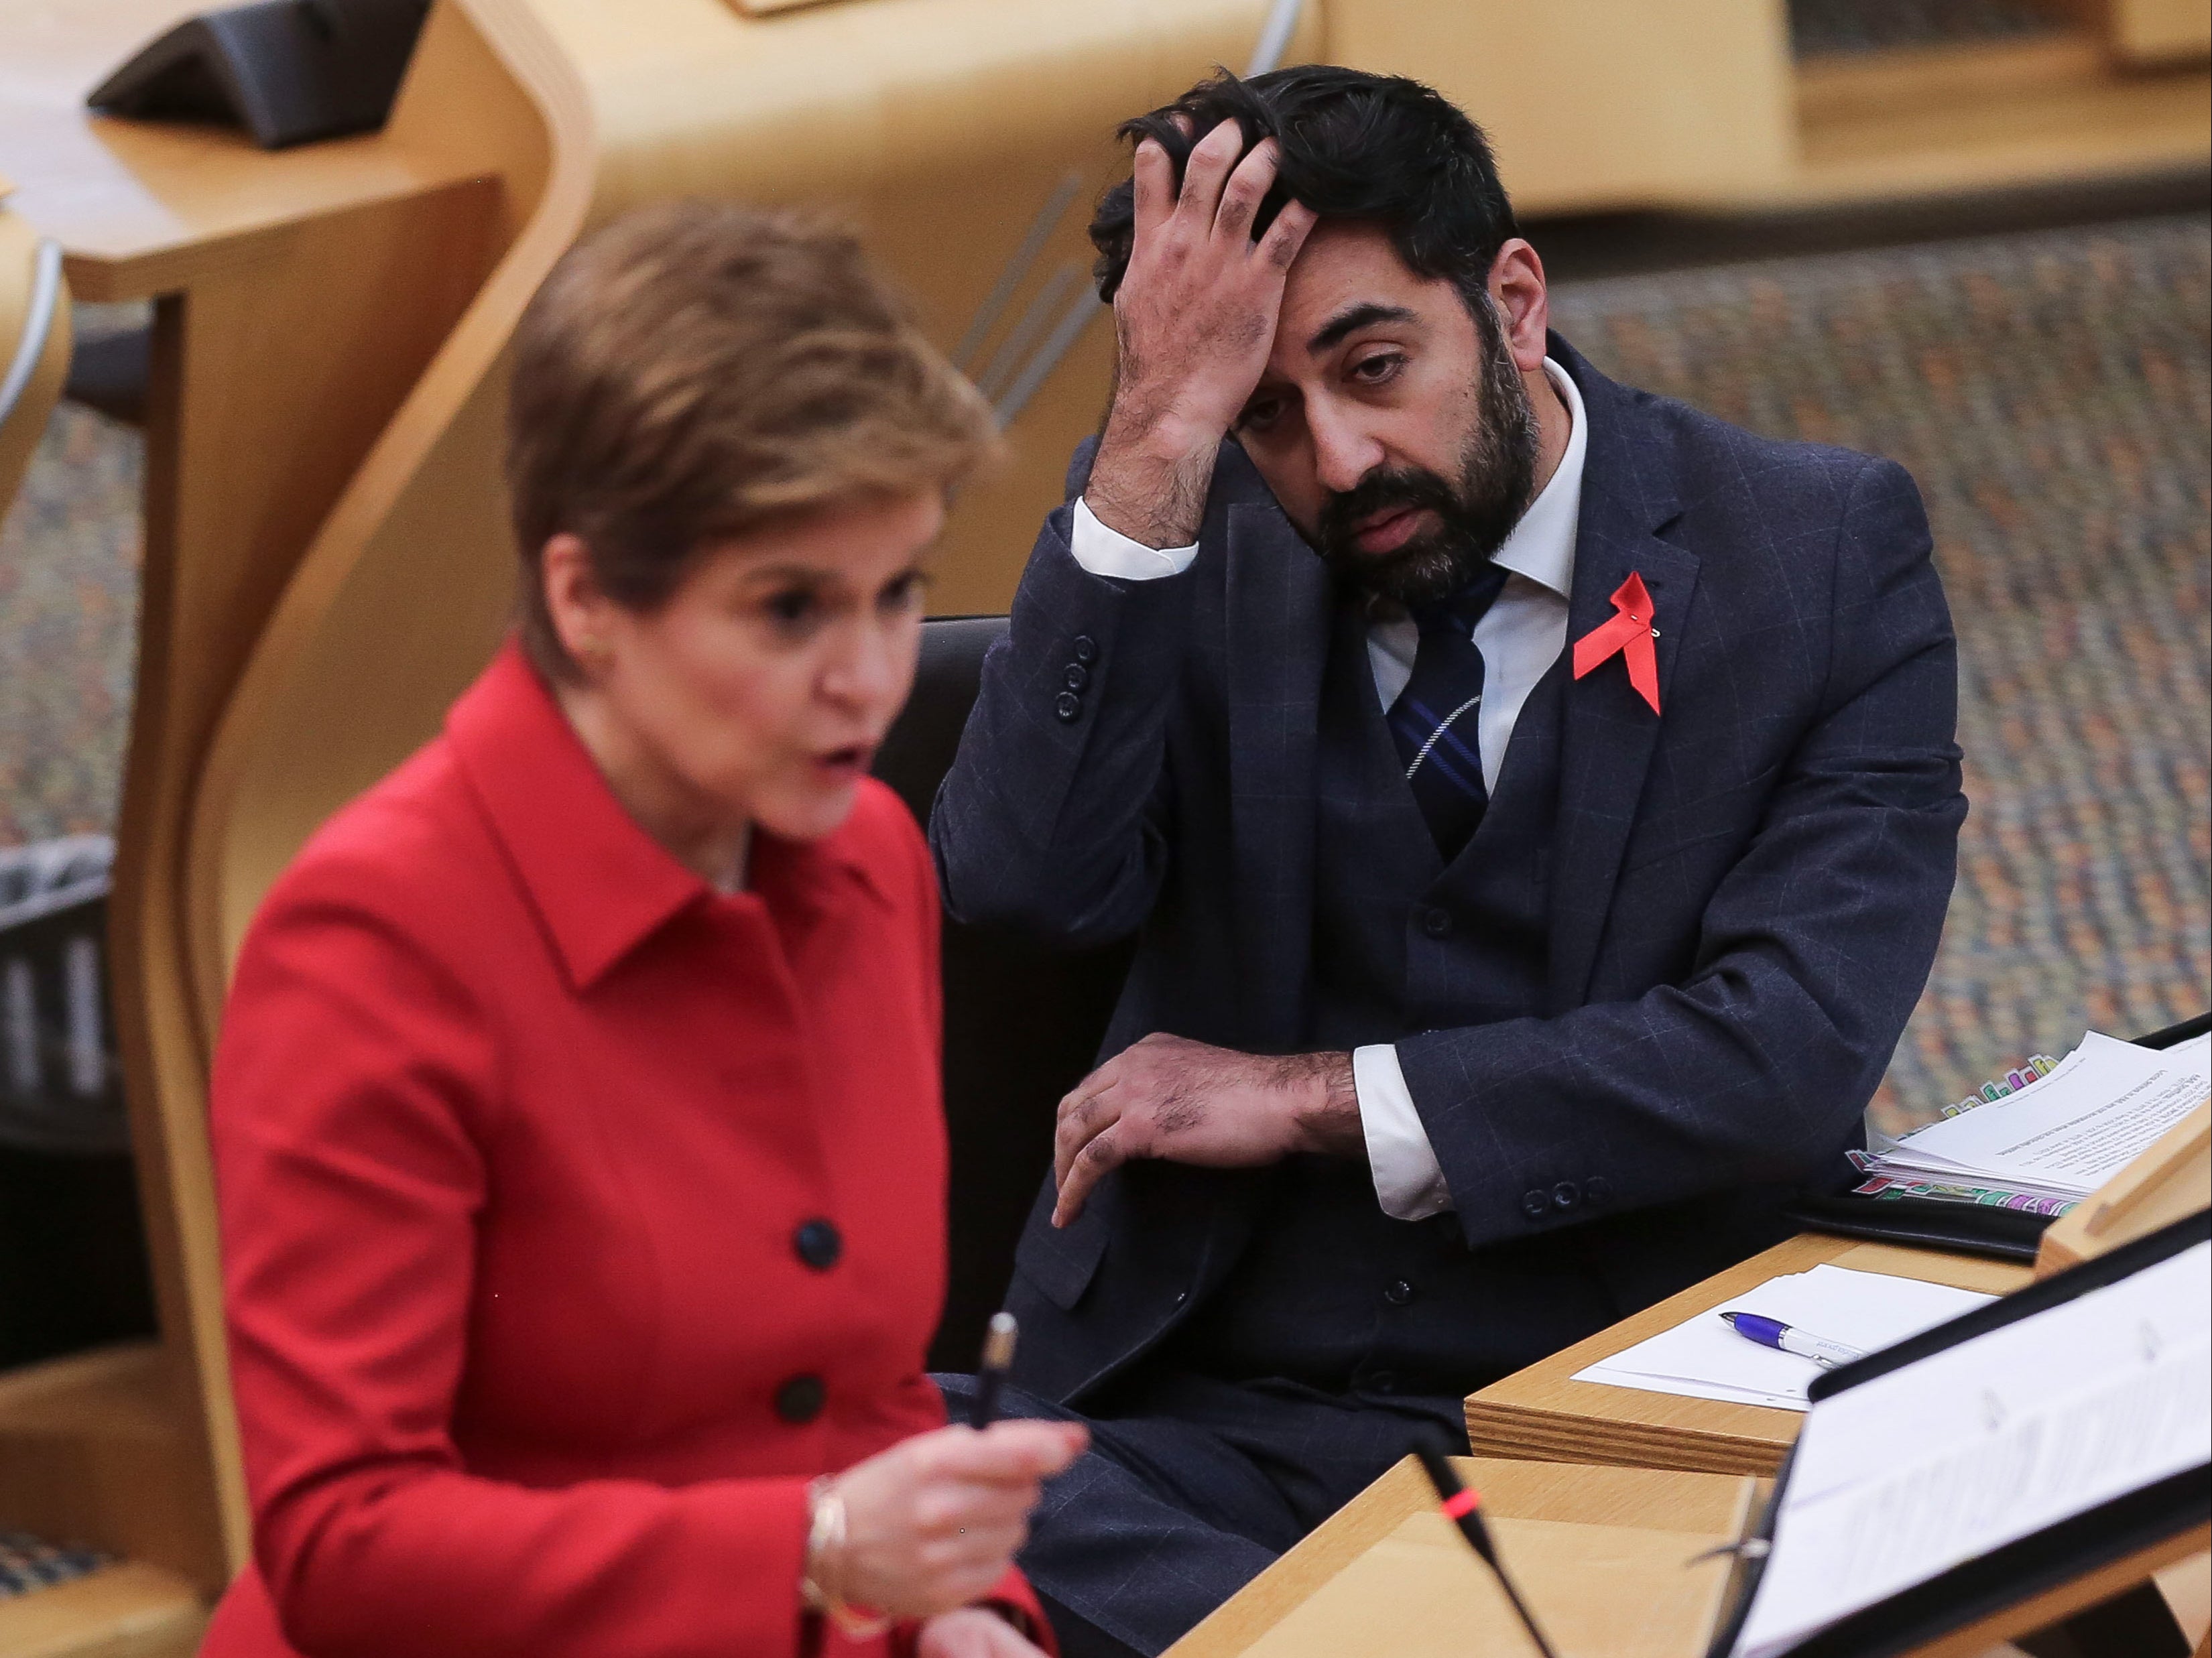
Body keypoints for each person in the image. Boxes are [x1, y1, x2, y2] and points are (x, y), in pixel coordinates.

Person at [930, 66, 1965, 1657]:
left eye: (1375, 367)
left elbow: (1785, 1056)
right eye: (1267, 410)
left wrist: (1309, 1093)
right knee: (853, 1477)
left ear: (1515, 301)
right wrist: (1150, 439)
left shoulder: (1816, 556)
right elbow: (1013, 889)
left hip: (1617, 1409)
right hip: (1214, 1418)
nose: (1340, 460)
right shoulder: (1177, 520)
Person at [202, 203, 1086, 1658]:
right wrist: (813, 1552)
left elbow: (862, 1389)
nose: (869, 680)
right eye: (791, 610)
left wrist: (961, 1612)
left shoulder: (866, 856)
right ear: (588, 598)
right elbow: (342, 1540)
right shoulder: (377, 936)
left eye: (899, 592)